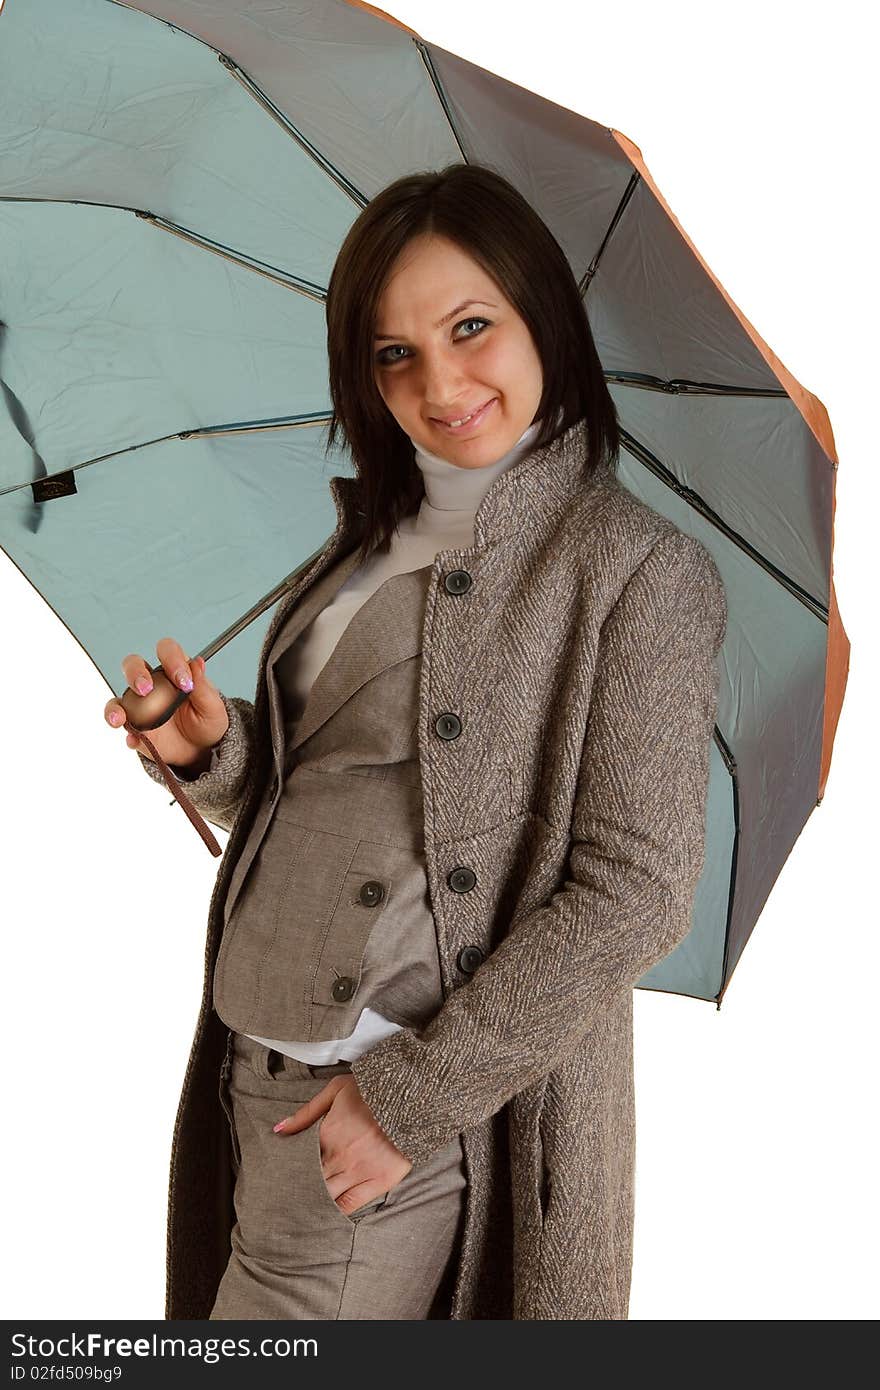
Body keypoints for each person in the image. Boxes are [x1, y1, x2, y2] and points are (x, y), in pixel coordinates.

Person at [104, 163, 726, 1320]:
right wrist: (211, 751)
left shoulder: (638, 573)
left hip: (393, 1121)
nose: (440, 383)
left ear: (545, 312)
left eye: (471, 326)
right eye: (394, 352)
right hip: (249, 1080)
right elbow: (344, 790)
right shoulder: (370, 535)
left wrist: (408, 1100)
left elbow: (633, 891)